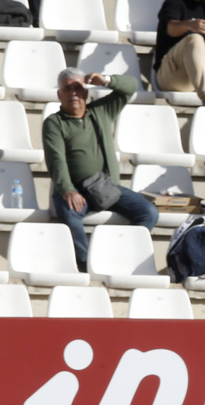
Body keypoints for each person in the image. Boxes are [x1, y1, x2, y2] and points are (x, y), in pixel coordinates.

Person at [43, 69, 159, 273]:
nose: (73, 93)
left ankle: (120, 258)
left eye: (78, 88)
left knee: (148, 212)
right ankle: (87, 266)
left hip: (107, 188)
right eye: (67, 89)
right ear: (59, 94)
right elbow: (56, 160)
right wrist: (68, 189)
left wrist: (105, 80)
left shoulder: (101, 110)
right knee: (71, 218)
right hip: (76, 190)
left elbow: (130, 87)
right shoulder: (54, 123)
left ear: (86, 91)